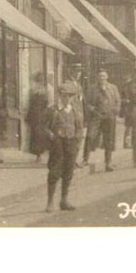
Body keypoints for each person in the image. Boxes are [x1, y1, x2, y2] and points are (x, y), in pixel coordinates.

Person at [45, 82, 83, 212]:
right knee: (54, 172)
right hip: (58, 145)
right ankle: (50, 202)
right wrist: (51, 135)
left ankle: (64, 200)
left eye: (69, 96)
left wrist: (77, 143)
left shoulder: (75, 110)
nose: (66, 98)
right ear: (60, 96)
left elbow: (79, 127)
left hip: (71, 143)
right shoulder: (54, 110)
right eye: (64, 95)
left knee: (68, 172)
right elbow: (43, 127)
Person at [84, 69, 121, 172]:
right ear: (97, 78)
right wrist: (93, 110)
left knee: (108, 140)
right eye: (100, 76)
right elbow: (87, 103)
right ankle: (85, 159)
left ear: (107, 77)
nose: (102, 78)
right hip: (96, 116)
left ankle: (108, 162)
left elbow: (118, 101)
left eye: (104, 76)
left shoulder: (113, 88)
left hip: (109, 116)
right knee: (90, 136)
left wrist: (115, 111)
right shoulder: (92, 89)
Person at [65, 62, 86, 168]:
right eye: (76, 71)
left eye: (80, 72)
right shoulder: (68, 84)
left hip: (79, 116)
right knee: (72, 139)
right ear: (71, 72)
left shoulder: (78, 85)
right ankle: (71, 161)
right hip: (72, 116)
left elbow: (81, 102)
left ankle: (74, 160)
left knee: (78, 138)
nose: (78, 74)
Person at [27, 72, 50, 163]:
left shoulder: (46, 91)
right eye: (38, 81)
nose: (40, 82)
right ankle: (38, 155)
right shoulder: (32, 91)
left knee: (41, 135)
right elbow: (30, 104)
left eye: (41, 81)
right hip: (35, 116)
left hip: (43, 115)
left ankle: (40, 154)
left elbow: (48, 104)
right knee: (36, 135)